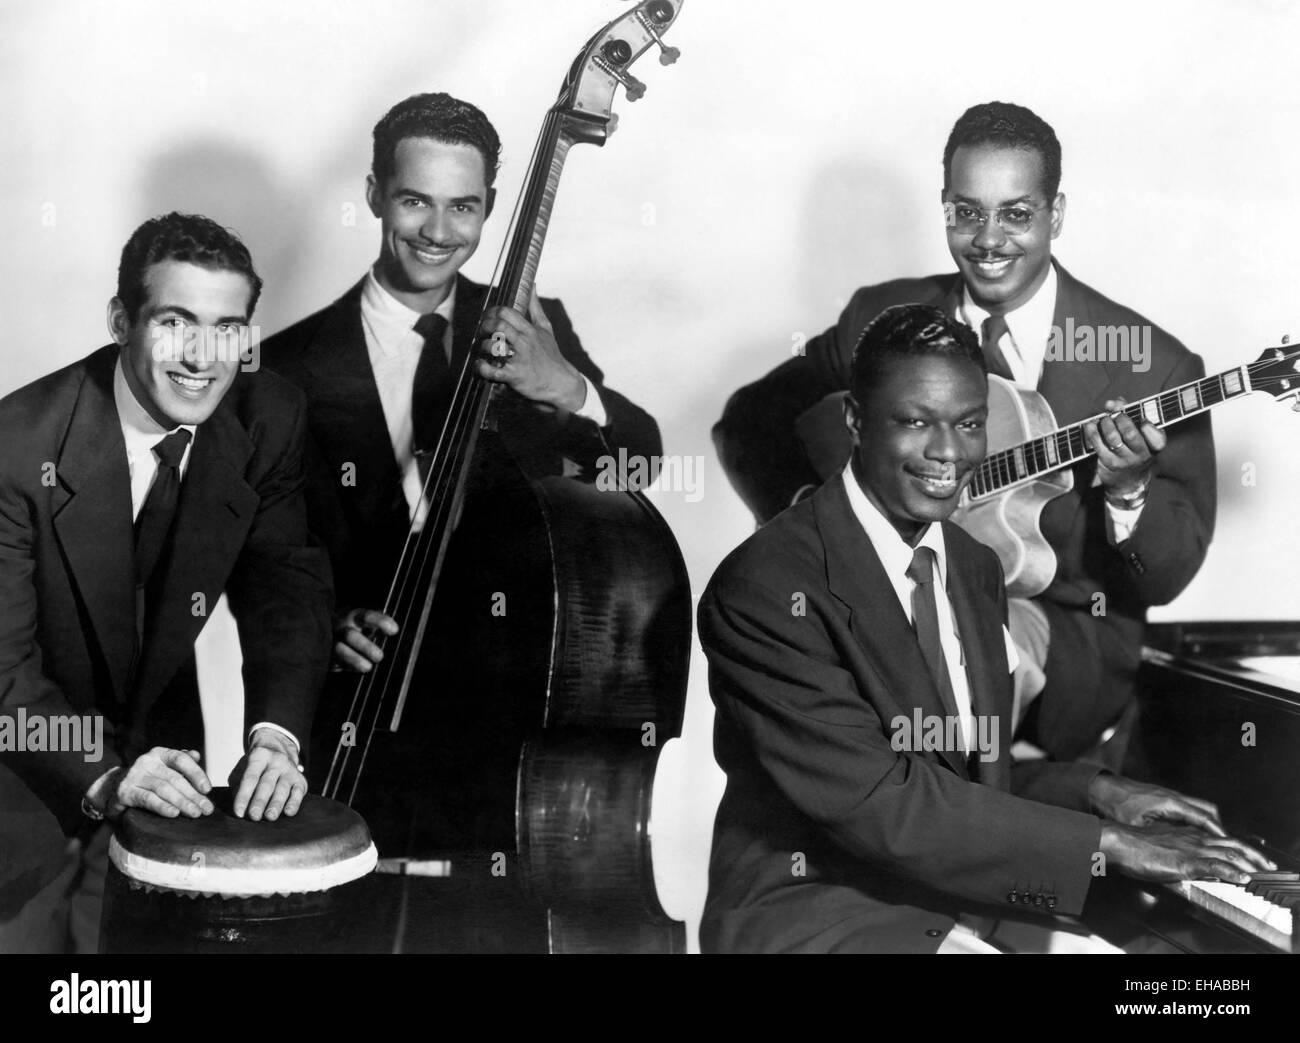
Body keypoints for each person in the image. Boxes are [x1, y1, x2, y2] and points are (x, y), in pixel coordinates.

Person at [699, 303, 1267, 954]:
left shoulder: (971, 564)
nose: (948, 453)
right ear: (855, 420)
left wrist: (1105, 794)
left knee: (1183, 979)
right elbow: (889, 807)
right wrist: (1112, 845)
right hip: (820, 915)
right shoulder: (764, 587)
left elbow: (965, 782)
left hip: (951, 898)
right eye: (915, 422)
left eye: (969, 424)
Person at [712, 102, 1215, 762]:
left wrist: (1127, 494)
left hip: (1053, 623)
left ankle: (920, 820)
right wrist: (814, 517)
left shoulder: (1152, 362)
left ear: (1054, 215)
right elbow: (751, 420)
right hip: (885, 596)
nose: (988, 238)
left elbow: (1165, 575)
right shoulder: (882, 316)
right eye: (968, 210)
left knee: (943, 666)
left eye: (1016, 213)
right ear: (945, 206)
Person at [0, 212, 333, 952]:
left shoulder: (268, 415)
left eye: (226, 328)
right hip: (18, 787)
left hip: (166, 787)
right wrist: (108, 774)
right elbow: (2, 678)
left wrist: (277, 736)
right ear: (122, 320)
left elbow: (286, 589)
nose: (201, 358)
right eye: (175, 321)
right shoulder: (15, 448)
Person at [262, 91, 662, 676]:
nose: (438, 232)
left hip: (510, 685)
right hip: (357, 705)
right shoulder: (282, 367)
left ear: (491, 206)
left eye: (463, 207)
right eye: (415, 201)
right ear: (375, 195)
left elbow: (640, 467)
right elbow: (257, 557)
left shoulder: (533, 330)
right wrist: (326, 626)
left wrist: (568, 387)